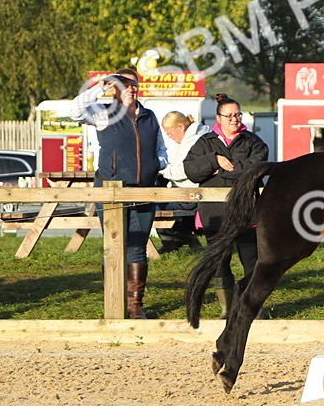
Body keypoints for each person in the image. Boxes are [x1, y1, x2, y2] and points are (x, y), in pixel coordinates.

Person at [70, 68, 167, 318]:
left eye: (134, 84)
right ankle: (114, 301)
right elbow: (74, 111)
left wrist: (158, 163)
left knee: (137, 247)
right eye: (124, 84)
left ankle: (135, 306)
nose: (130, 88)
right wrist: (100, 88)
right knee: (113, 245)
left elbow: (160, 147)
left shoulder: (150, 116)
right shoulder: (104, 112)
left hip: (144, 189)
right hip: (111, 187)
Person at [183, 94, 270, 310]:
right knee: (219, 263)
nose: (234, 119)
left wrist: (218, 171)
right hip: (214, 213)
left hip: (246, 212)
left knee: (251, 261)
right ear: (218, 118)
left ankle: (252, 308)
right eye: (229, 115)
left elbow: (257, 168)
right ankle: (227, 310)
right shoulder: (205, 143)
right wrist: (213, 159)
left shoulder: (253, 142)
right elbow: (191, 171)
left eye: (237, 114)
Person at [156, 111, 210, 252]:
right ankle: (184, 240)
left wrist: (158, 169)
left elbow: (184, 172)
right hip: (193, 192)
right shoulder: (199, 135)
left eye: (170, 133)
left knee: (153, 207)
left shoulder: (193, 142)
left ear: (180, 127)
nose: (170, 137)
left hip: (191, 194)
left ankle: (173, 242)